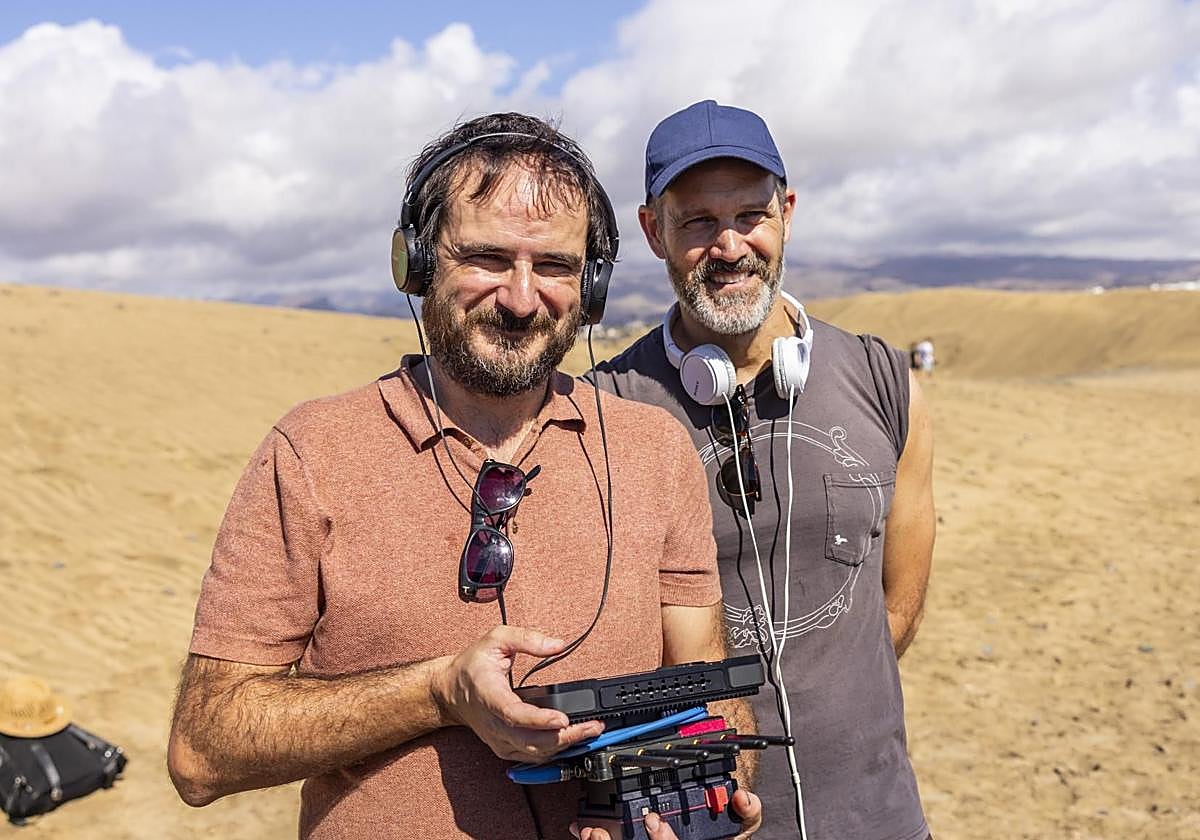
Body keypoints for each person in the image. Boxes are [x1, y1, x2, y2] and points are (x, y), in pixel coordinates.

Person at [167, 113, 762, 840]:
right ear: (416, 265)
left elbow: (709, 699)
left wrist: (710, 795)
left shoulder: (654, 451)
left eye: (553, 267)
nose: (519, 298)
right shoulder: (310, 452)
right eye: (485, 258)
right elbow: (204, 748)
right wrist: (439, 691)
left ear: (593, 287)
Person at [592, 101, 936, 840]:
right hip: (704, 822)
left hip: (879, 816)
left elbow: (896, 615)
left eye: (751, 214)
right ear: (653, 231)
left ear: (786, 212)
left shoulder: (887, 380)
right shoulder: (603, 411)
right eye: (697, 223)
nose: (729, 245)